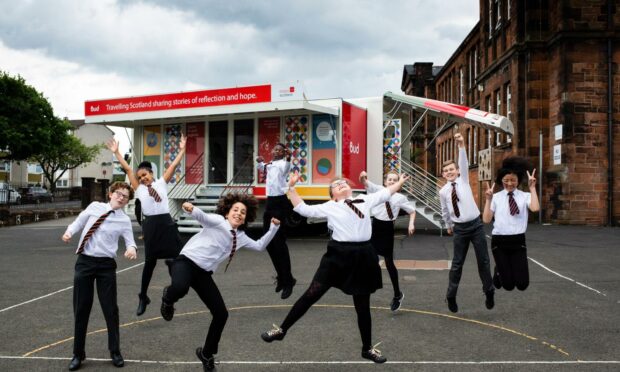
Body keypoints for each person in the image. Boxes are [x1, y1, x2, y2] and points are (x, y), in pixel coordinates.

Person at [260, 171, 408, 363]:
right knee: (311, 294)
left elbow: (387, 192)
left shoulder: (365, 200)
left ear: (349, 188)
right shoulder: (330, 206)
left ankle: (367, 349)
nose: (340, 184)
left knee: (362, 305)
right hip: (337, 255)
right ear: (332, 195)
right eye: (336, 185)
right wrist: (291, 187)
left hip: (363, 255)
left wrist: (401, 182)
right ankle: (281, 329)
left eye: (343, 183)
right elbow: (303, 209)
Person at [160, 193, 280, 371]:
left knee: (221, 314)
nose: (238, 213)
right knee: (180, 288)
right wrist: (192, 208)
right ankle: (168, 299)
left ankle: (206, 354)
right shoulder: (218, 221)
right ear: (227, 212)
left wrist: (273, 228)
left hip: (203, 274)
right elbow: (203, 217)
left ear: (246, 218)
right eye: (235, 210)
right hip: (186, 262)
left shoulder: (241, 237)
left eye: (243, 212)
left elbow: (260, 246)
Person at [61, 182, 137, 371]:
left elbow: (130, 241)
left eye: (125, 196)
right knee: (81, 309)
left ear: (127, 201)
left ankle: (115, 351)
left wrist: (131, 249)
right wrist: (69, 232)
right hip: (85, 262)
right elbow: (79, 221)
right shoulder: (95, 207)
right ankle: (78, 353)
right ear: (110, 193)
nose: (121, 198)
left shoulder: (124, 220)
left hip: (106, 266)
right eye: (118, 194)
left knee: (110, 310)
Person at [107, 135, 186, 316]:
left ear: (151, 173)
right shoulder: (140, 188)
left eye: (144, 175)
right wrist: (117, 153)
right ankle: (143, 296)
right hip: (151, 226)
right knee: (149, 263)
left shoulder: (161, 183)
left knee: (179, 259)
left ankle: (170, 298)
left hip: (166, 223)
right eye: (140, 177)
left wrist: (182, 150)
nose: (142, 178)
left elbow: (173, 166)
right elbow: (127, 168)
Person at [439, 132, 494, 313]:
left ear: (458, 171)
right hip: (460, 229)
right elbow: (445, 211)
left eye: (452, 169)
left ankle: (489, 290)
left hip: (476, 226)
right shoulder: (444, 192)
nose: (449, 172)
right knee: (457, 264)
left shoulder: (463, 181)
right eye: (446, 171)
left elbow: (463, 161)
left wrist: (461, 145)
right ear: (443, 174)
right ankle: (451, 295)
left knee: (483, 261)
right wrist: (448, 225)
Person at [359, 170, 416, 312]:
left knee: (389, 263)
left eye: (395, 180)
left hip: (387, 229)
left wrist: (411, 224)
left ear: (399, 183)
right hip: (375, 226)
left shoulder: (400, 198)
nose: (391, 181)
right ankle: (364, 289)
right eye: (389, 179)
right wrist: (363, 177)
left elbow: (412, 211)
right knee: (369, 259)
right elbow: (365, 182)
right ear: (385, 182)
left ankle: (397, 294)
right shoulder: (378, 190)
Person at [483, 157, 539, 291]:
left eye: (513, 180)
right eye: (506, 180)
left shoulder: (524, 196)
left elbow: (535, 208)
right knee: (508, 286)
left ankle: (500, 269)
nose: (509, 183)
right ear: (501, 181)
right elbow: (486, 220)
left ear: (518, 180)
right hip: (499, 241)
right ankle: (499, 271)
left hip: (518, 241)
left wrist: (532, 188)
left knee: (522, 285)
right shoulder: (495, 197)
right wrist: (488, 200)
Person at [256, 143, 297, 299]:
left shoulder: (283, 164)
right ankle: (282, 277)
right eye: (275, 149)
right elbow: (262, 168)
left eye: (280, 150)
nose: (276, 152)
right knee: (268, 243)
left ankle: (288, 281)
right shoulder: (270, 164)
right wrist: (259, 161)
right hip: (270, 203)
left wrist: (288, 156)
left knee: (279, 244)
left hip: (280, 204)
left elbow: (286, 166)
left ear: (283, 153)